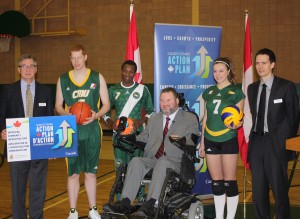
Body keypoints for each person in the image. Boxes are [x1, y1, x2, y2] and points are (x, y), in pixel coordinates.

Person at [103, 87, 199, 217]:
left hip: (176, 162)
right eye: (162, 101)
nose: (164, 104)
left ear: (177, 100)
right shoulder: (154, 119)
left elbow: (191, 142)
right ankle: (124, 203)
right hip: (154, 160)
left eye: (168, 100)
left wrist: (181, 141)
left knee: (163, 162)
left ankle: (151, 204)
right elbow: (143, 138)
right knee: (136, 161)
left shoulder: (189, 118)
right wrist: (130, 137)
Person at [55, 44, 110, 219]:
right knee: (73, 173)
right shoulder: (63, 79)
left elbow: (107, 104)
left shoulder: (97, 77)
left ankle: (93, 209)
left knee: (90, 172)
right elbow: (57, 105)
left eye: (79, 57)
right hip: (70, 130)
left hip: (92, 129)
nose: (76, 61)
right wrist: (68, 113)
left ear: (85, 57)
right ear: (70, 59)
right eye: (73, 57)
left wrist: (96, 116)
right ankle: (73, 211)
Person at [247, 48, 299, 219]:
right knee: (258, 192)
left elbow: (293, 119)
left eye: (264, 63)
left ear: (272, 64)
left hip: (276, 145)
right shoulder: (252, 88)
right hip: (256, 144)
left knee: (279, 191)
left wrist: (285, 146)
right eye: (257, 63)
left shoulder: (286, 87)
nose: (259, 66)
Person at [0, 54, 54, 219]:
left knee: (38, 188)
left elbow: (50, 119)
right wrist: (3, 130)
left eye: (31, 66)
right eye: (24, 66)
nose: (28, 69)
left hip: (40, 147)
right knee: (18, 189)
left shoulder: (46, 91)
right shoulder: (8, 90)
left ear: (36, 69)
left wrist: (51, 147)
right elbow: (2, 115)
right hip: (17, 147)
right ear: (18, 69)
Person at [199, 57, 245, 219]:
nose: (217, 74)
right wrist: (202, 141)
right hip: (211, 139)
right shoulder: (209, 92)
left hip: (228, 140)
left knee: (229, 182)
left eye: (221, 71)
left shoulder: (236, 92)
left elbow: (239, 118)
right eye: (215, 71)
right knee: (217, 182)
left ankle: (230, 217)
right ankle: (219, 217)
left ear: (228, 72)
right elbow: (205, 117)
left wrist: (236, 124)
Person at [102, 60, 154, 199]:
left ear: (135, 73)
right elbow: (104, 113)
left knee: (138, 166)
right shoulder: (113, 90)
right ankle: (120, 198)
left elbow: (151, 111)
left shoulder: (143, 90)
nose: (127, 74)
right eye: (125, 71)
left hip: (138, 136)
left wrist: (140, 121)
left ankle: (141, 197)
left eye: (131, 72)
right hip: (119, 136)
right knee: (120, 168)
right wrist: (111, 123)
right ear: (121, 71)